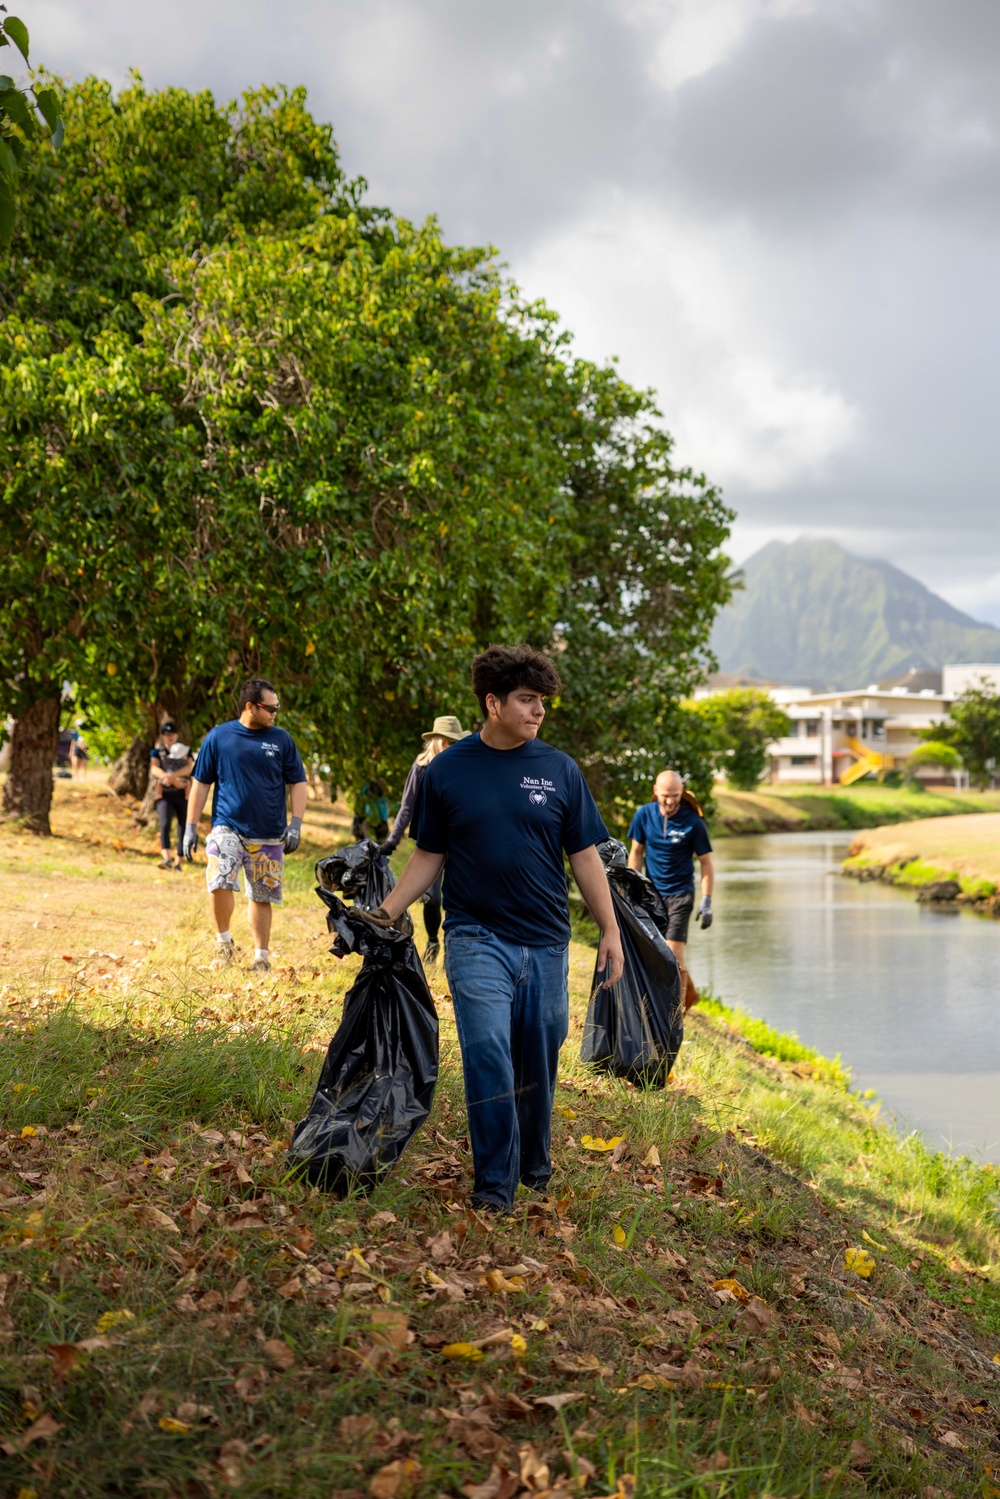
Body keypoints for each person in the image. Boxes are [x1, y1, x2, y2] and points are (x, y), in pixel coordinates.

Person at [361, 644, 625, 1215]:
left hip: (549, 943)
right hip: (476, 936)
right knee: (487, 1054)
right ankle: (493, 1189)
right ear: (493, 702)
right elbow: (429, 854)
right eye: (527, 701)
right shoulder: (448, 771)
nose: (538, 712)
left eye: (542, 702)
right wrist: (388, 909)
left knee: (539, 1058)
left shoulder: (559, 769)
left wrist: (610, 930)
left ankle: (534, 1167)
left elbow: (583, 856)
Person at [184, 678, 308, 974]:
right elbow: (201, 784)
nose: (276, 713)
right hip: (227, 826)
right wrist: (190, 825)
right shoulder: (219, 737)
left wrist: (296, 824)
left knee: (262, 895)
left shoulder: (281, 739)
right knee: (219, 879)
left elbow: (298, 783)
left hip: (269, 832)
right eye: (271, 708)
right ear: (250, 706)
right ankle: (223, 943)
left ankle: (261, 957)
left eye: (278, 707)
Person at [379, 714, 470, 965]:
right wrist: (391, 842)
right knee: (432, 898)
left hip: (460, 842)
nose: (452, 746)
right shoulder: (421, 768)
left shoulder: (463, 765)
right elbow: (406, 808)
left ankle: (457, 949)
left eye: (456, 741)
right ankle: (432, 940)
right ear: (438, 741)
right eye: (448, 741)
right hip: (431, 842)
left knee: (457, 897)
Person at [627, 770, 714, 1009]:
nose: (670, 800)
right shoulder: (644, 815)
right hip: (651, 894)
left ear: (682, 793)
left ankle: (674, 1021)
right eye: (666, 795)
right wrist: (631, 886)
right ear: (656, 791)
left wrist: (707, 901)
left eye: (675, 796)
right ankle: (690, 995)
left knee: (674, 955)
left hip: (681, 894)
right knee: (656, 953)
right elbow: (636, 852)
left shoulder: (694, 823)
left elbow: (706, 863)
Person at [149, 721, 193, 870]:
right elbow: (154, 769)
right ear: (162, 736)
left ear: (177, 735)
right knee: (165, 824)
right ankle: (166, 858)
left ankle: (178, 861)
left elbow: (190, 767)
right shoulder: (157, 753)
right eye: (167, 735)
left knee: (183, 826)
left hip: (182, 794)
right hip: (166, 794)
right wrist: (170, 779)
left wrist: (171, 777)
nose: (170, 737)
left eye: (172, 734)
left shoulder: (184, 750)